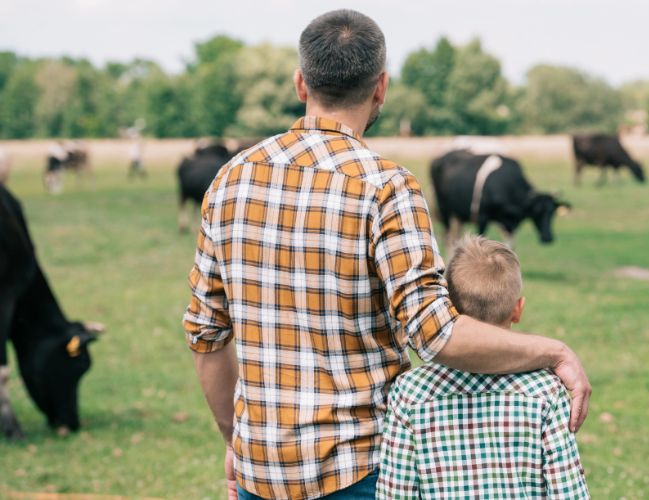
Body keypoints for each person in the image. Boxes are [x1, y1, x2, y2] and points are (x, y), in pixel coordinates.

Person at [183, 9, 591, 500]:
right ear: (381, 87)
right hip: (365, 472)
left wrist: (236, 441)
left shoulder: (230, 179)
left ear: (300, 83)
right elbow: (435, 333)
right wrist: (554, 352)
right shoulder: (387, 187)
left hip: (258, 474)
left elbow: (206, 335)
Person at [377, 235, 590, 499]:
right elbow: (568, 492)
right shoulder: (546, 392)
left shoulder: (410, 392)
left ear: (449, 307)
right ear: (518, 309)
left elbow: (395, 492)